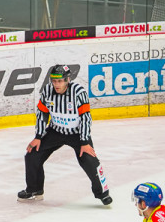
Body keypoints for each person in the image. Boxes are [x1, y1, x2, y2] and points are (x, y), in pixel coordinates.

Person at [18, 64, 112, 205]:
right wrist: (38, 137)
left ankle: (102, 194)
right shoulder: (47, 91)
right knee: (32, 155)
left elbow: (86, 118)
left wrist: (85, 141)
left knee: (90, 161)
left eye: (60, 81)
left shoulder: (78, 92)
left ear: (67, 80)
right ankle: (34, 190)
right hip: (55, 131)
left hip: (77, 134)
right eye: (54, 81)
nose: (56, 84)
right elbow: (42, 114)